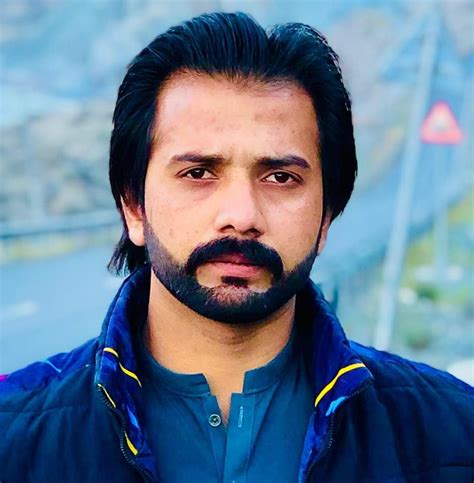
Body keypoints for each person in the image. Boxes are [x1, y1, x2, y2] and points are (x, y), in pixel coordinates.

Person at [1, 12, 472, 483]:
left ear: (325, 217)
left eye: (280, 177)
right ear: (134, 207)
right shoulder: (14, 436)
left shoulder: (453, 435)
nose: (242, 215)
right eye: (198, 173)